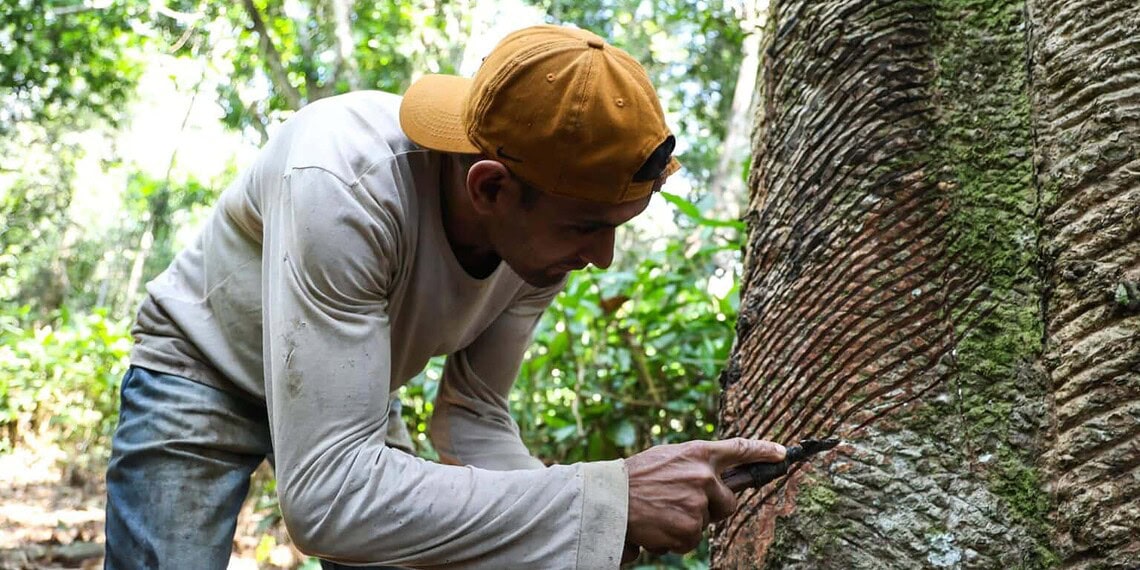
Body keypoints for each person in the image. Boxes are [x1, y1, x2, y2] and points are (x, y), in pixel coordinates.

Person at [103, 24, 785, 569]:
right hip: (203, 369)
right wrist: (603, 501)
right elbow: (329, 499)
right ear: (489, 188)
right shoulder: (345, 182)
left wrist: (590, 528)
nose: (600, 258)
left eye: (614, 229)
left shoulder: (538, 237)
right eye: (586, 228)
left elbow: (472, 417)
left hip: (349, 397)